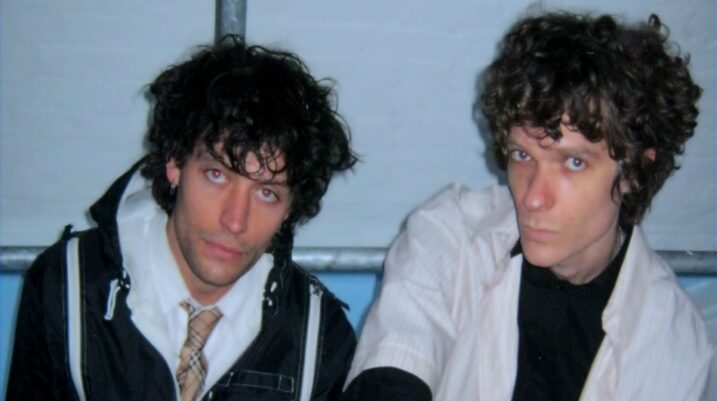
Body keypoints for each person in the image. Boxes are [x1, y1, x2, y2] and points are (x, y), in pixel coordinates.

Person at [342, 12, 712, 401]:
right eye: (522, 155)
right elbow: (393, 367)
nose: (533, 197)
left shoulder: (674, 339)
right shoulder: (450, 236)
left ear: (634, 171)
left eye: (574, 162)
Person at [7, 36, 358, 401]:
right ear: (175, 163)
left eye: (267, 193)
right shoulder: (68, 286)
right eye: (216, 175)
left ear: (289, 210)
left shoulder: (318, 336)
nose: (235, 221)